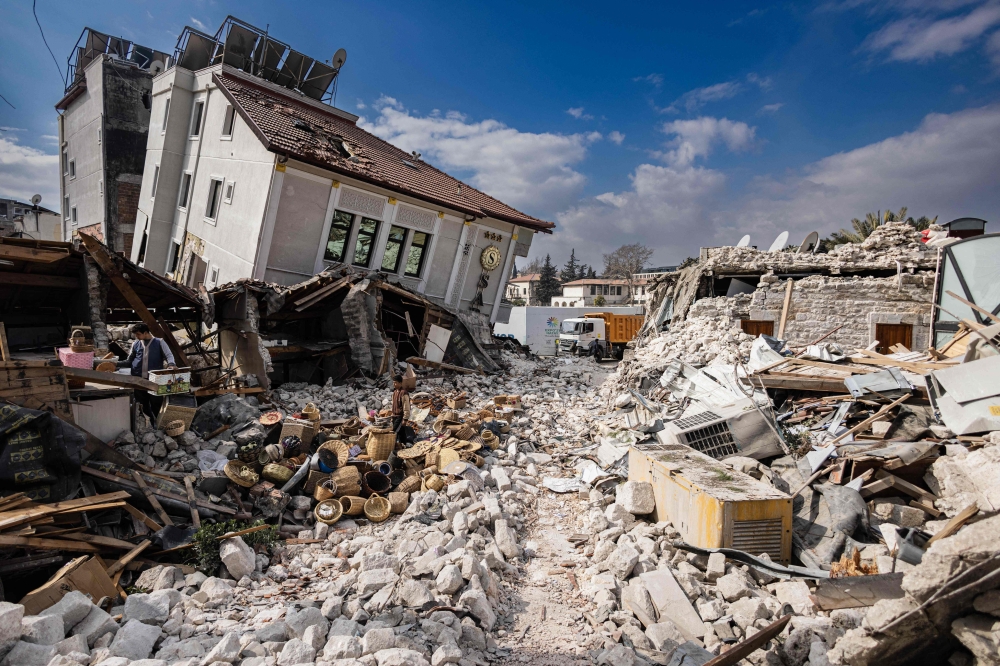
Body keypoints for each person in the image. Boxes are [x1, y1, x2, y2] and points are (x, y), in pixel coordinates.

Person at [119, 323, 176, 420]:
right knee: (141, 404)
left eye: (138, 334)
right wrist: (115, 364)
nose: (136, 336)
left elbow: (169, 355)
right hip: (138, 380)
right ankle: (148, 425)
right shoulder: (135, 344)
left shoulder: (159, 342)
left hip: (154, 380)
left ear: (145, 333)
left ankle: (159, 425)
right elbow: (129, 361)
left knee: (156, 404)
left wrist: (171, 365)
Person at [391, 374, 414, 446]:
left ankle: (394, 446)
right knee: (401, 431)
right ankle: (403, 445)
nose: (394, 384)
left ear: (400, 383)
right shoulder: (395, 392)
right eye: (393, 382)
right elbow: (393, 405)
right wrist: (392, 415)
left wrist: (405, 418)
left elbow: (406, 406)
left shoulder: (404, 393)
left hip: (400, 416)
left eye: (396, 382)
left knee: (394, 431)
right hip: (394, 416)